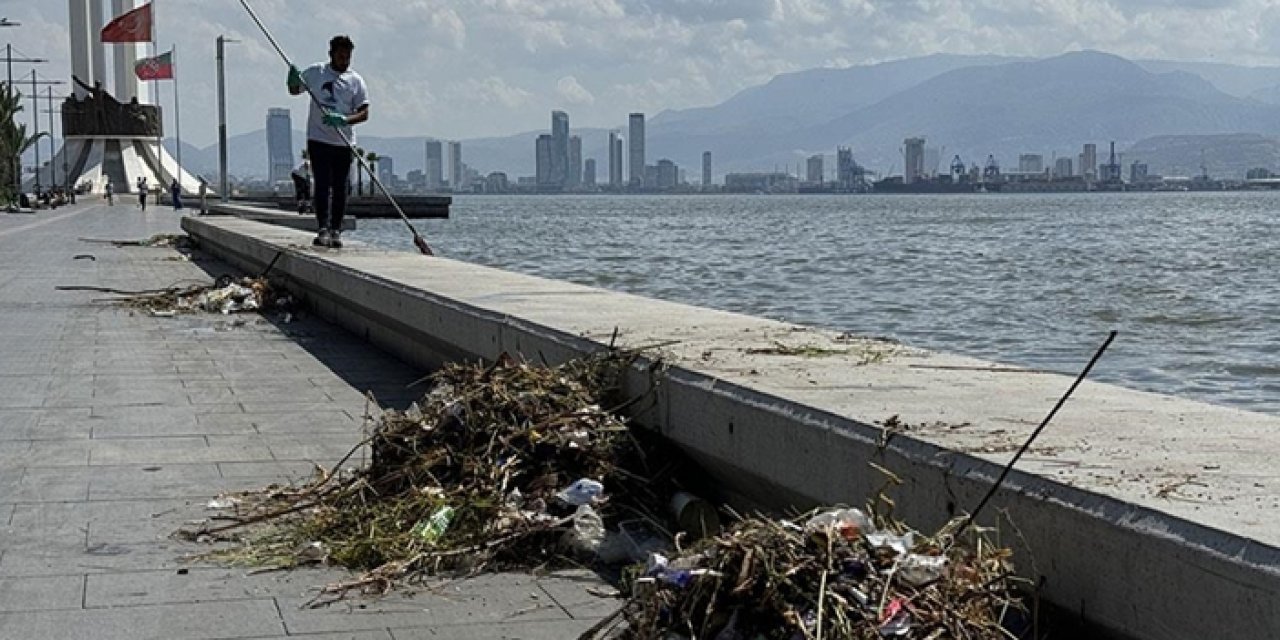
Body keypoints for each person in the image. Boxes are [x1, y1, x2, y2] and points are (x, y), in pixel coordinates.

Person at [287, 35, 369, 249]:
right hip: (319, 139)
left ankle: (336, 230)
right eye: (341, 56)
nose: (344, 60)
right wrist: (293, 80)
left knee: (341, 188)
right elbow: (295, 91)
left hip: (343, 142)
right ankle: (322, 228)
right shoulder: (316, 72)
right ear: (331, 54)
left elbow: (364, 113)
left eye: (348, 57)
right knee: (322, 184)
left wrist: (344, 120)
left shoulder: (356, 81)